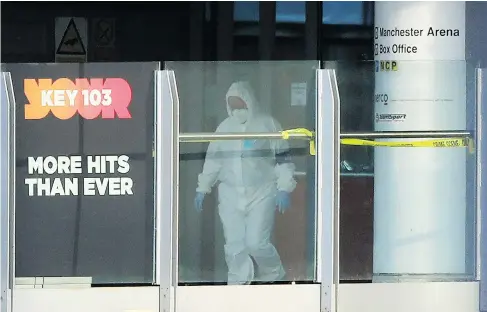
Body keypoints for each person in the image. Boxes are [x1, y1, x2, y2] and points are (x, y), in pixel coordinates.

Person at [194, 81, 297, 285]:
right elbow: (213, 161)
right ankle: (238, 283)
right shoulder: (224, 128)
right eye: (233, 106)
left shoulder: (268, 125)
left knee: (256, 243)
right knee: (234, 245)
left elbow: (283, 159)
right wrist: (203, 187)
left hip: (261, 192)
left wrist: (284, 187)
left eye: (241, 105)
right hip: (230, 194)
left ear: (250, 102)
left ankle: (273, 275)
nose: (237, 110)